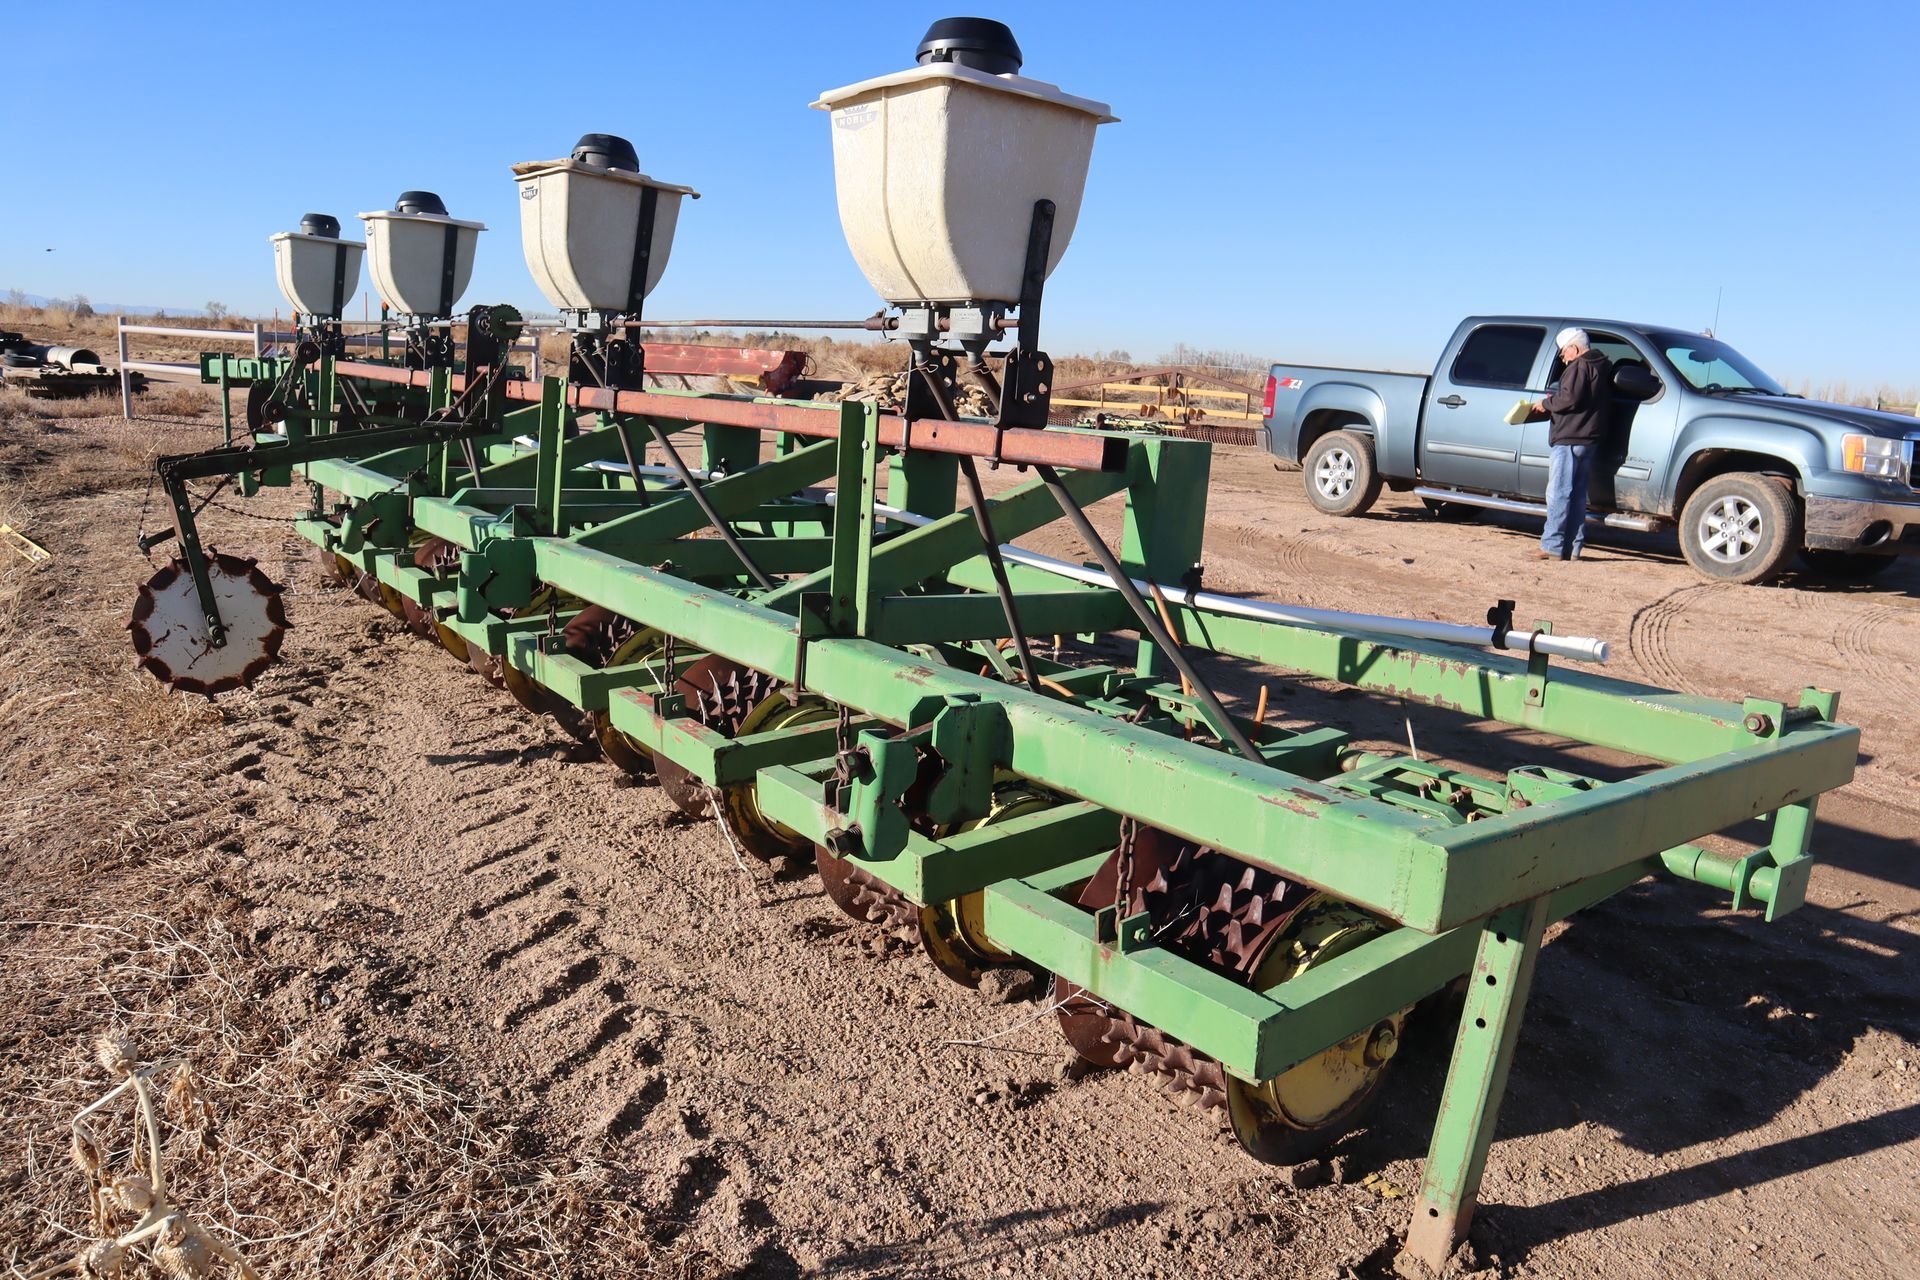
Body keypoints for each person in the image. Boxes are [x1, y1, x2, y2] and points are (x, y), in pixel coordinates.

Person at [1528, 328, 1612, 561]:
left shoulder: (1578, 367)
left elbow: (1569, 399)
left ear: (1574, 349)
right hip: (1588, 438)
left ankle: (1552, 546)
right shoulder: (1601, 366)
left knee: (1558, 493)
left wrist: (1546, 403)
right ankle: (1573, 548)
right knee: (1577, 496)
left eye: (1563, 353)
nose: (1563, 359)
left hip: (1568, 437)